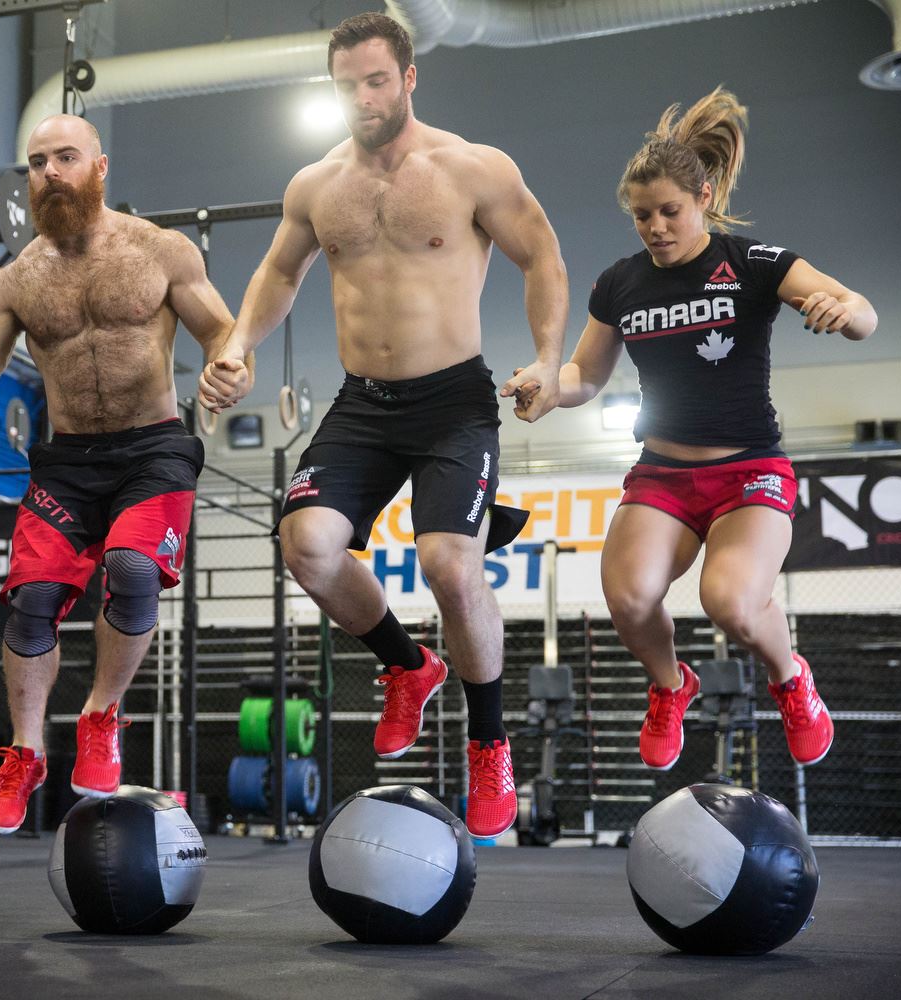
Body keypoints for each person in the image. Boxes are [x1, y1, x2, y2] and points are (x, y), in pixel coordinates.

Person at [199, 12, 566, 839]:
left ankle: (487, 740)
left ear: (407, 78)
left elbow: (541, 254)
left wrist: (547, 357)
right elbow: (276, 271)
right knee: (307, 546)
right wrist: (235, 345)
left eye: (374, 81)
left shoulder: (472, 168)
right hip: (363, 402)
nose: (361, 100)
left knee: (448, 564)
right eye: (344, 86)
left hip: (453, 404)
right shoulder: (315, 184)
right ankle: (408, 666)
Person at [0, 114, 235, 836]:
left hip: (152, 449)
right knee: (29, 602)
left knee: (131, 566)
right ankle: (26, 752)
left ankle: (100, 715)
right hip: (67, 460)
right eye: (36, 163)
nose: (50, 172)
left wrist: (227, 365)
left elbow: (218, 329)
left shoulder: (160, 251)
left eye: (65, 157)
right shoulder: (16, 280)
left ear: (100, 166)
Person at [532, 87, 875, 772]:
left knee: (730, 602)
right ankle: (670, 686)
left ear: (705, 196)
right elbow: (584, 377)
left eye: (669, 212)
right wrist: (545, 390)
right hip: (662, 473)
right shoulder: (620, 284)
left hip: (749, 472)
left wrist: (844, 310)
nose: (655, 227)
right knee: (628, 598)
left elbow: (862, 311)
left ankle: (790, 679)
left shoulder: (753, 264)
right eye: (641, 217)